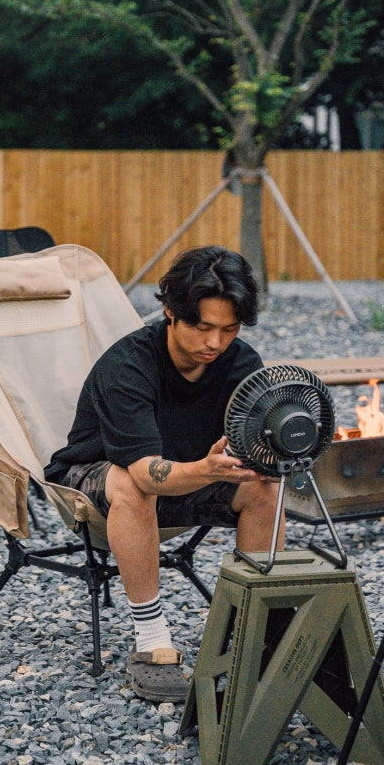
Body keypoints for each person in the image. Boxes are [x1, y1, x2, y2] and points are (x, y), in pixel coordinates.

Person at [44, 245, 283, 703]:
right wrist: (207, 469)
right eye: (202, 327)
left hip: (190, 476)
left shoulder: (241, 364)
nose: (215, 342)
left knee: (263, 485)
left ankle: (257, 630)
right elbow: (144, 473)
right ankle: (152, 640)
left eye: (228, 329)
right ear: (170, 312)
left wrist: (267, 459)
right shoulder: (128, 365)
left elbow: (255, 447)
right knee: (131, 482)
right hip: (96, 483)